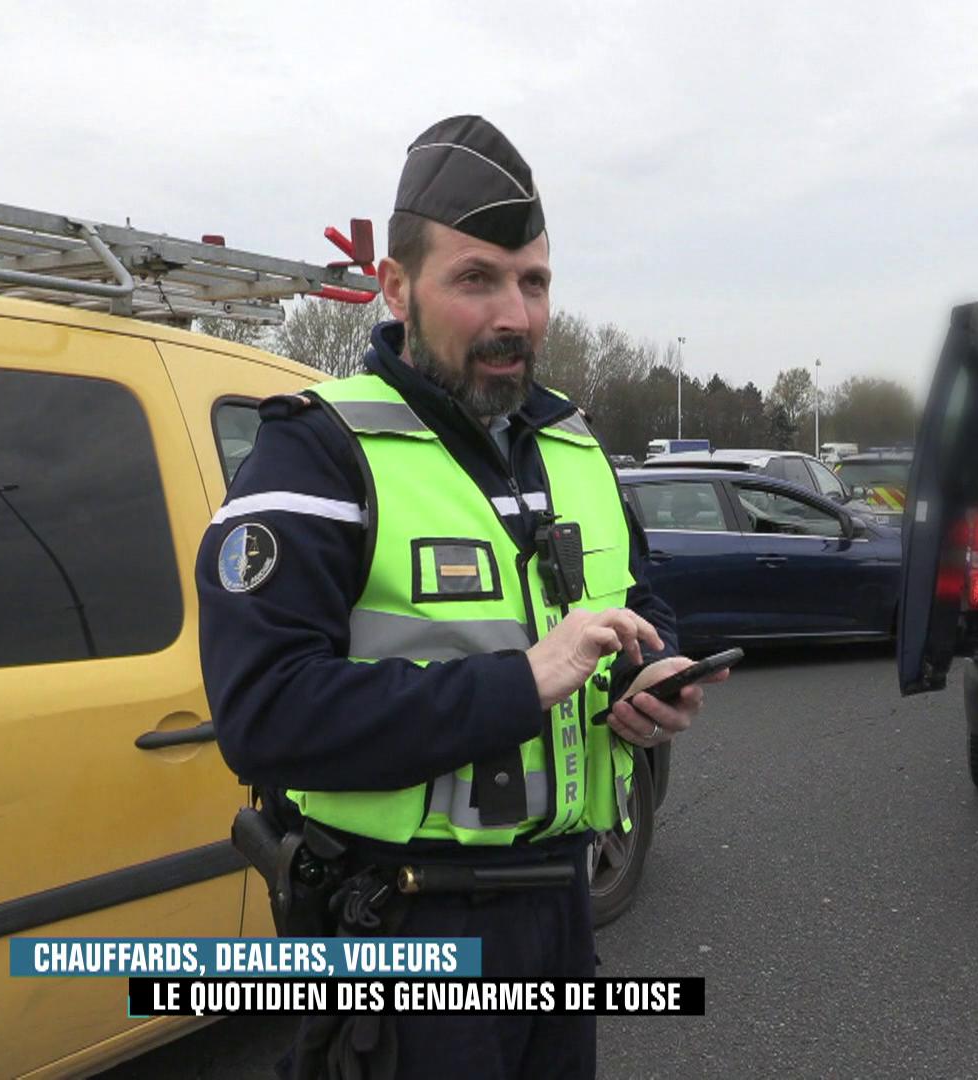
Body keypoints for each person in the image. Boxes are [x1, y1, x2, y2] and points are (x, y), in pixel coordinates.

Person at [198, 115, 721, 1079]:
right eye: (476, 279)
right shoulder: (318, 449)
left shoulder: (571, 444)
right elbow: (265, 715)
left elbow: (637, 603)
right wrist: (523, 681)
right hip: (402, 927)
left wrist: (650, 675)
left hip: (560, 907)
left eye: (534, 281)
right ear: (395, 288)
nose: (514, 315)